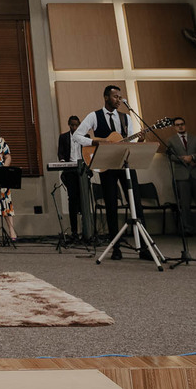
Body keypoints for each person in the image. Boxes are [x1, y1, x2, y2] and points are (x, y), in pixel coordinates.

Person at [77, 85, 149, 260]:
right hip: (106, 165)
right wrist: (96, 141)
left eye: (120, 97)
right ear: (106, 97)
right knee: (111, 205)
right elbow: (77, 136)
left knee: (136, 204)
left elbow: (130, 142)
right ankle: (115, 247)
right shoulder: (94, 116)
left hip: (125, 164)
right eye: (116, 97)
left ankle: (144, 247)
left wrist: (140, 141)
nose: (119, 100)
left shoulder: (126, 118)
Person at [164, 117, 196, 236]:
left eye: (182, 124)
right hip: (182, 175)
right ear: (174, 127)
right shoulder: (171, 140)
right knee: (184, 203)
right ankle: (187, 228)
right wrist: (184, 159)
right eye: (177, 125)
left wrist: (192, 157)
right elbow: (170, 156)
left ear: (185, 125)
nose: (180, 126)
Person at [57, 114, 90, 240]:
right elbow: (60, 152)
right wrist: (63, 161)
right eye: (72, 125)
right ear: (69, 125)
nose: (74, 127)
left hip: (82, 169)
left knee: (84, 200)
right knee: (72, 199)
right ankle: (74, 231)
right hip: (70, 170)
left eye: (76, 125)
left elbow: (88, 152)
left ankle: (87, 231)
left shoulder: (85, 137)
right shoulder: (63, 137)